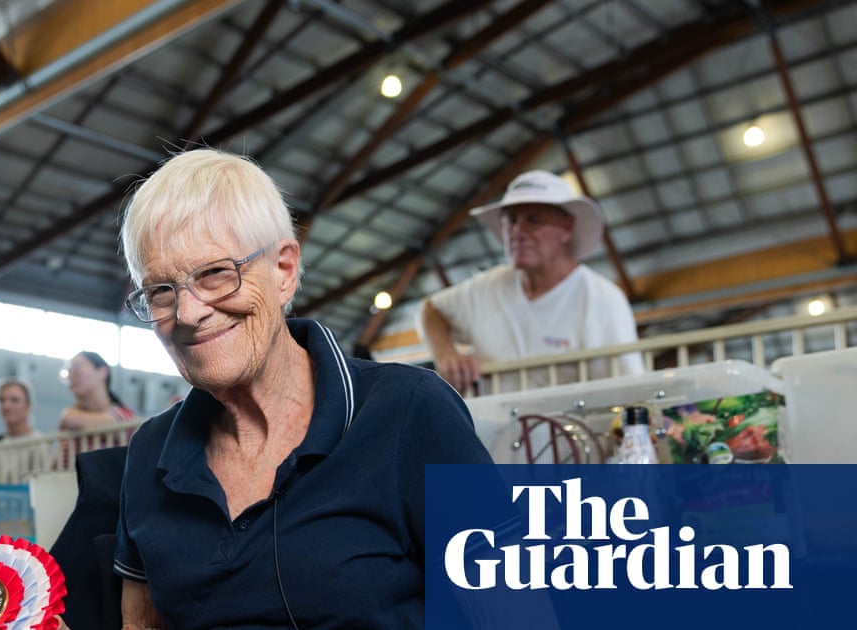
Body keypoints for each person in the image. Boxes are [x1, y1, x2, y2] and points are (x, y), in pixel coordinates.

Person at [103, 148, 492, 629]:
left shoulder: (410, 411)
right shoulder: (149, 453)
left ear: (284, 271)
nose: (188, 313)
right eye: (161, 290)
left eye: (216, 274)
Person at [418, 169, 644, 394]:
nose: (518, 231)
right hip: (488, 430)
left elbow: (626, 389)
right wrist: (446, 353)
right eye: (511, 221)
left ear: (567, 228)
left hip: (571, 429)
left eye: (534, 221)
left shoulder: (601, 300)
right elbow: (431, 310)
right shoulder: (485, 287)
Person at [57, 351, 136, 431]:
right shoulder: (68, 417)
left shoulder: (125, 416)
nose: (71, 376)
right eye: (69, 371)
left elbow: (124, 425)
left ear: (102, 371)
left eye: (76, 368)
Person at [0, 376, 37, 441]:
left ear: (28, 406)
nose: (6, 406)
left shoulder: (42, 444)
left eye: (14, 400)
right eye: (2, 400)